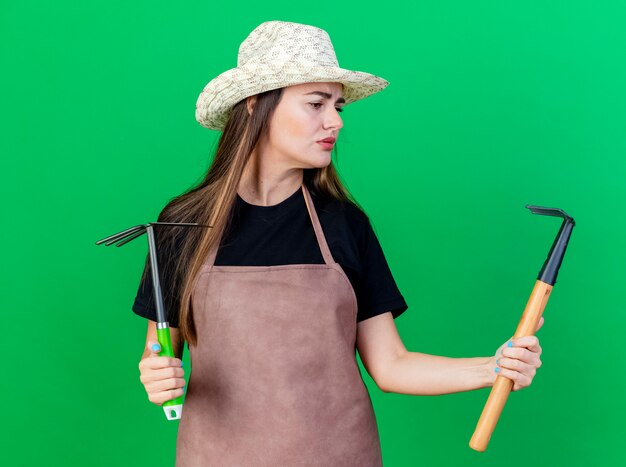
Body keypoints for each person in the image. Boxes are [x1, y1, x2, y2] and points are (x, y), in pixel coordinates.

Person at [132, 20, 543, 466]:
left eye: (338, 106)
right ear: (254, 105)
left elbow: (391, 366)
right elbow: (160, 353)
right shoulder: (183, 225)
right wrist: (156, 377)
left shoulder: (344, 224)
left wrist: (494, 367)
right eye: (316, 103)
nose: (335, 122)